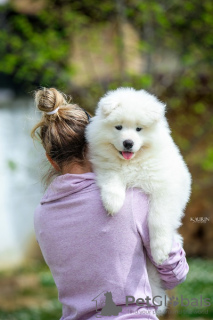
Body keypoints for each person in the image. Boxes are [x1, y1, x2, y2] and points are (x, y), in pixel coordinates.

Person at [32, 88, 189, 320]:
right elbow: (174, 272)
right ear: (90, 145)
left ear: (50, 158)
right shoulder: (134, 198)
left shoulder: (41, 213)